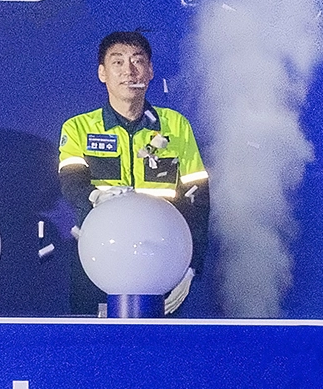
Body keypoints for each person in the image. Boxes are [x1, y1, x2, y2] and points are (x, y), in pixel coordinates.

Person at [59, 30, 210, 315]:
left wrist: (191, 267)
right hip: (99, 257)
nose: (129, 71)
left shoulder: (175, 126)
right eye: (117, 62)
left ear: (150, 71)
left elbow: (198, 201)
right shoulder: (79, 128)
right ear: (102, 73)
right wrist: (96, 198)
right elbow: (71, 183)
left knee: (156, 354)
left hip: (162, 262)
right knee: (95, 352)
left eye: (138, 61)